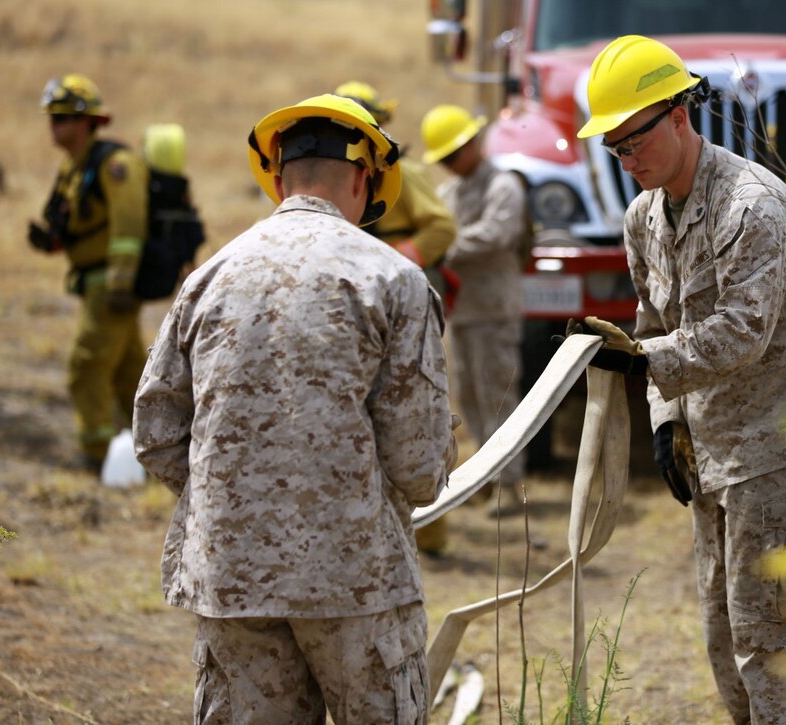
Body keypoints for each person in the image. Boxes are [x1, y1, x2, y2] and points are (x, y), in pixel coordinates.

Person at [133, 93, 456, 723]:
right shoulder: (390, 279)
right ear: (365, 177)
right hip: (355, 582)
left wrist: (239, 498)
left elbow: (156, 433)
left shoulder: (209, 277)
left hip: (230, 579)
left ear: (277, 178)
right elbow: (418, 461)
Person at [574, 35, 786, 723]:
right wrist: (667, 422)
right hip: (717, 464)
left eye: (634, 140)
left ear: (678, 113)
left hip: (783, 461)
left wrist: (646, 365)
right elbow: (648, 320)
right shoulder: (643, 217)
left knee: (779, 664)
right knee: (727, 656)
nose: (627, 159)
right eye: (613, 147)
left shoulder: (752, 204)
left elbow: (741, 332)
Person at [336, 80, 457, 556]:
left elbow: (442, 225)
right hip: (353, 301)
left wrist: (390, 257)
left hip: (399, 297)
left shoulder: (403, 172)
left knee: (417, 405)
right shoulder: (334, 177)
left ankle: (432, 534)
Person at [28, 74, 149, 471]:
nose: (54, 125)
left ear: (87, 121)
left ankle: (98, 456)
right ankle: (146, 452)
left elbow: (128, 229)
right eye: (52, 116)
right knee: (129, 373)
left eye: (62, 116)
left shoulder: (116, 166)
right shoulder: (76, 168)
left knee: (87, 366)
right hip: (94, 283)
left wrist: (120, 284)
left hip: (110, 287)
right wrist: (53, 242)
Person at [421, 103, 528, 515]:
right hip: (462, 313)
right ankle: (486, 475)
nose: (449, 165)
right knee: (470, 398)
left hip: (494, 311)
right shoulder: (448, 194)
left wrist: (443, 247)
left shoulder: (503, 186)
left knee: (499, 397)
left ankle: (511, 483)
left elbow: (497, 233)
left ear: (473, 144)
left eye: (453, 155)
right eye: (443, 159)